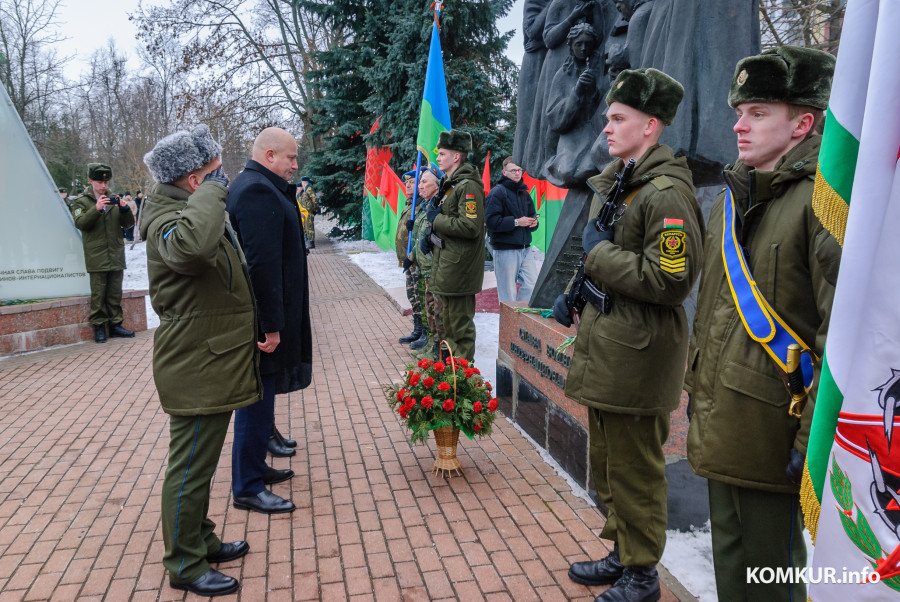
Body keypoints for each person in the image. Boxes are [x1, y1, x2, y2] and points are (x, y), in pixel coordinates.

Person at [684, 46, 838, 602]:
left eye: (757, 112)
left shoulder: (825, 203)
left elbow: (841, 335)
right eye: (739, 111)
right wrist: (697, 389)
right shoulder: (731, 199)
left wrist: (811, 436)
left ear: (802, 123)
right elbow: (713, 312)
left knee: (772, 579)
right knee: (733, 566)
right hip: (724, 418)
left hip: (776, 429)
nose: (739, 124)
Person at [555, 68, 704, 602]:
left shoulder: (666, 194)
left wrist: (599, 256)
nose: (606, 127)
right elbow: (601, 252)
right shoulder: (622, 182)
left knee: (636, 470)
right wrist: (574, 290)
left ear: (651, 125)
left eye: (618, 118)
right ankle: (623, 553)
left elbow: (671, 280)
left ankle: (643, 575)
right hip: (611, 344)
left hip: (639, 354)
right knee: (610, 464)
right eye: (608, 117)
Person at [141, 124, 257, 597]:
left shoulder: (188, 209)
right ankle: (184, 564)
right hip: (195, 363)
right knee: (188, 468)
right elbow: (190, 250)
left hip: (209, 358)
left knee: (200, 464)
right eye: (216, 174)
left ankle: (200, 539)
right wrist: (211, 192)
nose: (223, 181)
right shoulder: (167, 219)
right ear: (194, 180)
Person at [226, 127, 313, 514]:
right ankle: (247, 486)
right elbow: (261, 265)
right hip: (262, 323)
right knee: (255, 401)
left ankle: (255, 466)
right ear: (269, 155)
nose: (295, 165)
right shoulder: (257, 191)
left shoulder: (256, 185)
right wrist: (271, 325)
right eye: (291, 157)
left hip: (264, 316)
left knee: (261, 397)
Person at [425, 130, 485, 362]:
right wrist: (430, 235)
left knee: (460, 330)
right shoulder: (451, 184)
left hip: (459, 269)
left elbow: (470, 227)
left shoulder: (468, 187)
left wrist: (437, 220)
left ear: (456, 156)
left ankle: (462, 375)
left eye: (442, 154)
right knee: (448, 327)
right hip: (448, 266)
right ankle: (451, 373)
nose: (438, 158)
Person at [69, 163, 136, 343]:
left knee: (115, 293)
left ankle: (115, 325)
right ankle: (99, 326)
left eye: (106, 182)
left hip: (115, 253)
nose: (103, 186)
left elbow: (128, 225)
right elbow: (81, 223)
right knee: (98, 294)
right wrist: (96, 208)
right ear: (91, 181)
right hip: (96, 255)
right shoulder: (81, 202)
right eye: (99, 182)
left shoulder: (114, 199)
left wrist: (124, 210)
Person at [485, 157, 538, 303]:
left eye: (519, 170)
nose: (517, 173)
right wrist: (516, 222)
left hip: (525, 248)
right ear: (504, 172)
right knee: (508, 295)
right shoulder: (497, 192)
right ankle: (509, 317)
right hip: (505, 250)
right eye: (513, 170)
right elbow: (491, 222)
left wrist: (534, 223)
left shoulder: (524, 193)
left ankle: (520, 314)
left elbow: (532, 215)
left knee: (533, 285)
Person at [409, 164, 444, 358]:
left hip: (435, 268)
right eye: (419, 182)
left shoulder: (438, 207)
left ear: (436, 185)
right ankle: (432, 344)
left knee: (437, 312)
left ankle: (439, 350)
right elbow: (420, 237)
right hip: (425, 268)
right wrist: (411, 258)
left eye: (423, 182)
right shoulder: (427, 206)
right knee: (430, 309)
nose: (419, 186)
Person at [396, 170, 428, 350]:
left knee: (420, 296)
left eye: (412, 182)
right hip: (409, 259)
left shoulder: (422, 204)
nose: (408, 185)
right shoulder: (410, 203)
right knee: (412, 295)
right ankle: (417, 329)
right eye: (406, 182)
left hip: (417, 259)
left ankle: (424, 332)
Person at [297, 176, 319, 248]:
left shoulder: (309, 188)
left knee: (309, 227)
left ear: (304, 182)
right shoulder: (305, 190)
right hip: (305, 212)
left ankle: (310, 242)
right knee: (305, 227)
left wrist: (314, 208)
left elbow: (314, 199)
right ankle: (307, 241)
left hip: (309, 211)